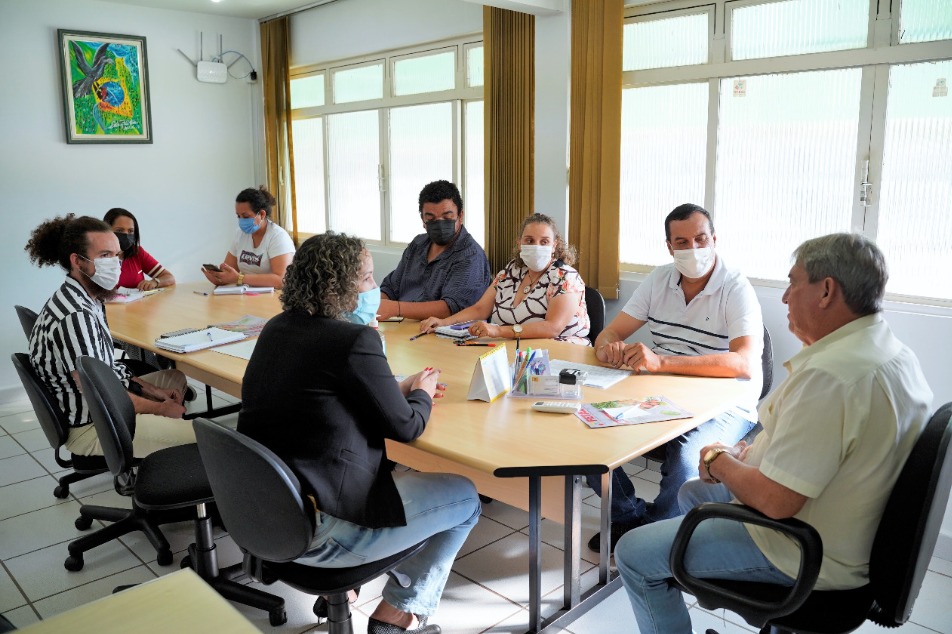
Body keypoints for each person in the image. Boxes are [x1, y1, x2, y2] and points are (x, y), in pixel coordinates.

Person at [614, 233, 933, 634]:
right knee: (691, 491)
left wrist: (720, 461)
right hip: (843, 526)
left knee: (633, 553)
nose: (784, 298)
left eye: (793, 283)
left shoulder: (832, 378)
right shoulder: (890, 352)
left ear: (826, 291)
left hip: (801, 549)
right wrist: (748, 454)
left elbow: (775, 500)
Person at [237, 232, 481, 634]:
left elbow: (323, 396)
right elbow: (406, 427)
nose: (375, 288)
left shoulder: (278, 327)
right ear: (338, 288)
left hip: (270, 514)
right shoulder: (353, 339)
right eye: (367, 279)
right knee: (467, 497)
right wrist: (419, 393)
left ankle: (351, 591)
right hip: (323, 528)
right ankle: (398, 613)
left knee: (405, 482)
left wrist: (395, 390)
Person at [586, 203, 763, 552]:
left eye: (700, 239)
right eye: (681, 242)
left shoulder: (735, 287)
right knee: (587, 430)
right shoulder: (659, 279)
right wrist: (608, 348)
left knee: (685, 461)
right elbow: (610, 333)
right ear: (669, 247)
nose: (693, 249)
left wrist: (662, 361)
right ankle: (626, 516)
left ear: (714, 239)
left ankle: (655, 535)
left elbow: (744, 364)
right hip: (665, 392)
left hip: (727, 401)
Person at [24, 215, 196, 457]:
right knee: (209, 441)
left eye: (116, 255)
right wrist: (160, 409)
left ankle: (163, 452)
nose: (115, 264)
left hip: (103, 405)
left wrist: (153, 392)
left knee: (172, 379)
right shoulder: (75, 317)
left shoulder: (88, 297)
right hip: (96, 426)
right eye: (105, 256)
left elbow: (109, 370)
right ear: (78, 262)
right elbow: (105, 396)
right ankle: (172, 458)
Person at [418, 213, 591, 346]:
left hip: (561, 356)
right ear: (519, 244)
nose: (536, 246)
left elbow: (553, 327)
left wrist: (498, 331)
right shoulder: (511, 271)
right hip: (513, 351)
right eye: (529, 240)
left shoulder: (565, 277)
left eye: (544, 242)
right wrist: (443, 323)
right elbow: (480, 309)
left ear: (554, 245)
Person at [378, 180, 492, 320]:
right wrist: (375, 305)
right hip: (399, 326)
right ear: (423, 220)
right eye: (431, 219)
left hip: (440, 334)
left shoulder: (470, 255)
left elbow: (452, 308)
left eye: (447, 217)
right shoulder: (418, 244)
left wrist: (396, 308)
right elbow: (390, 287)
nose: (439, 223)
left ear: (460, 216)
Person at [202, 186, 295, 290]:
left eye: (245, 216)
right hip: (246, 294)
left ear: (262, 214)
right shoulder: (240, 234)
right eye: (238, 216)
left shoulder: (278, 237)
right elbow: (229, 271)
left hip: (272, 298)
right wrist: (219, 278)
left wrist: (240, 278)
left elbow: (281, 280)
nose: (241, 221)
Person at [103, 207, 175, 291]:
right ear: (107, 230)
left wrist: (155, 282)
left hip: (138, 303)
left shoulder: (137, 252)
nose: (126, 235)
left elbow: (169, 278)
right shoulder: (97, 256)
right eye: (120, 230)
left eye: (130, 231)